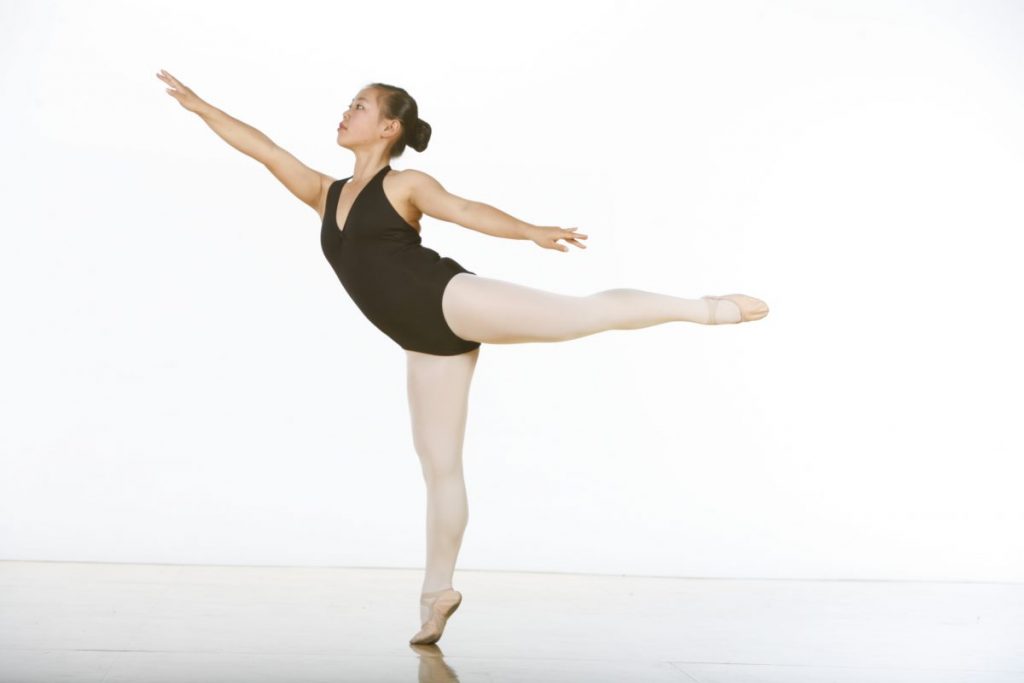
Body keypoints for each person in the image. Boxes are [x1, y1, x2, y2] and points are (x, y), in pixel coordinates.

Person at [156, 69, 770, 645]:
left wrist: (530, 229)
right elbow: (264, 149)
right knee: (439, 466)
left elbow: (467, 212)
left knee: (582, 314)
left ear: (388, 128)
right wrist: (200, 107)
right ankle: (436, 592)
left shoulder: (405, 185)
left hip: (449, 299)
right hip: (422, 342)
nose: (346, 113)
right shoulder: (324, 193)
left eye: (359, 107)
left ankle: (708, 308)